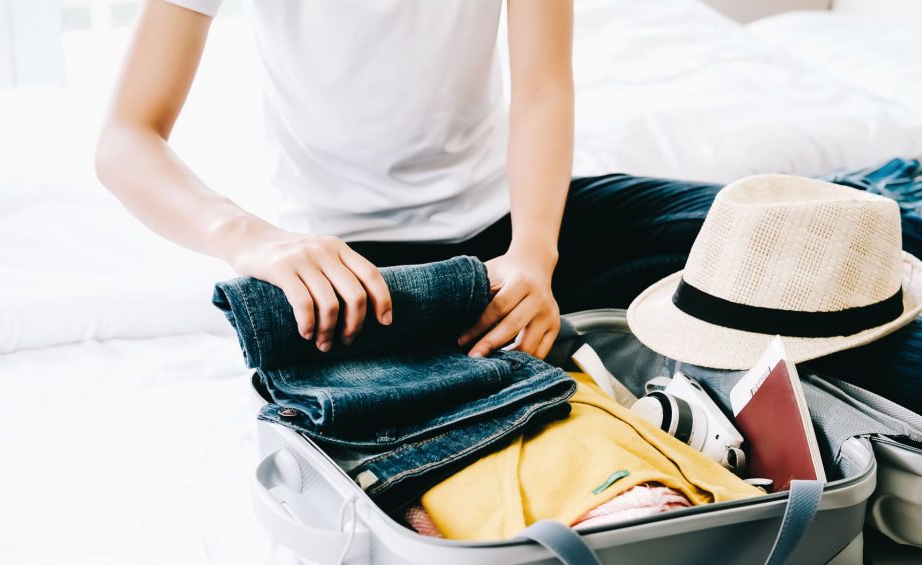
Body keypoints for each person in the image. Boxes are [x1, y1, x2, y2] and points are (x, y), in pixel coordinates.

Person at [97, 0, 720, 361]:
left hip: (520, 233)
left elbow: (541, 89)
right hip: (352, 265)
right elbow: (127, 136)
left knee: (769, 231)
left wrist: (533, 255)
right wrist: (253, 240)